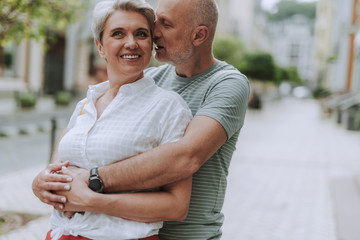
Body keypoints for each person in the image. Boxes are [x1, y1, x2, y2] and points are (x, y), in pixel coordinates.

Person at [32, 0, 251, 239]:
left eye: (165, 24)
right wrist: (51, 177)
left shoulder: (228, 84)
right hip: (117, 228)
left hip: (187, 234)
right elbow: (77, 128)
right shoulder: (149, 78)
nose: (155, 32)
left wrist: (92, 181)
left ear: (198, 35)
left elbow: (186, 157)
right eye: (155, 23)